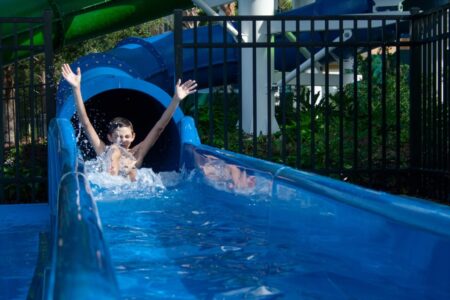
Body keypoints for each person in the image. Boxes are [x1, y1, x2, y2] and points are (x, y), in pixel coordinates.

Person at [61, 63, 197, 181]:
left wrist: (176, 100)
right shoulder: (104, 151)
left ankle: (124, 178)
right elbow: (85, 123)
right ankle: (112, 176)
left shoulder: (137, 154)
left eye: (126, 136)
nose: (123, 140)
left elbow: (159, 127)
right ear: (110, 137)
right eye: (118, 136)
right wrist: (76, 89)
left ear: (133, 136)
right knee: (114, 150)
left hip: (130, 189)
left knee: (132, 169)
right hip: (109, 186)